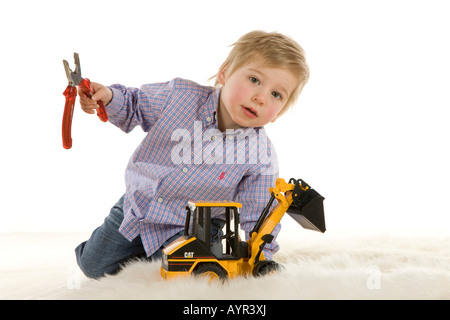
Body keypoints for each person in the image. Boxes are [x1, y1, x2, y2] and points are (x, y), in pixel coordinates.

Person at [75, 30, 310, 279]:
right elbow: (135, 105)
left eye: (276, 95)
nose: (261, 97)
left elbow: (259, 212)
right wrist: (109, 98)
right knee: (93, 266)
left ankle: (158, 254)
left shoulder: (260, 156)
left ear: (279, 113)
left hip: (194, 228)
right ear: (225, 72)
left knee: (174, 274)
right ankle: (135, 247)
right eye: (254, 80)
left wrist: (263, 257)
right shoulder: (179, 96)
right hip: (140, 206)